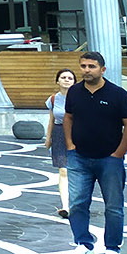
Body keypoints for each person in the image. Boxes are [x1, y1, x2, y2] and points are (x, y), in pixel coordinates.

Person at [62, 51, 127, 254]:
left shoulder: (118, 94)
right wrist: (70, 145)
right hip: (79, 158)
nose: (87, 70)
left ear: (102, 69)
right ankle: (83, 245)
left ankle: (112, 248)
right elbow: (68, 118)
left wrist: (118, 154)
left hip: (109, 160)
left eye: (91, 66)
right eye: (83, 66)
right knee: (77, 203)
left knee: (113, 206)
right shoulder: (74, 92)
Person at [43, 68, 76, 218]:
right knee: (63, 170)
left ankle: (77, 203)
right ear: (57, 81)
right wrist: (48, 138)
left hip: (77, 134)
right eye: (63, 77)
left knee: (78, 170)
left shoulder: (79, 98)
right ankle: (65, 206)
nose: (66, 80)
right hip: (59, 133)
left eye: (70, 78)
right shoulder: (53, 99)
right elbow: (51, 120)